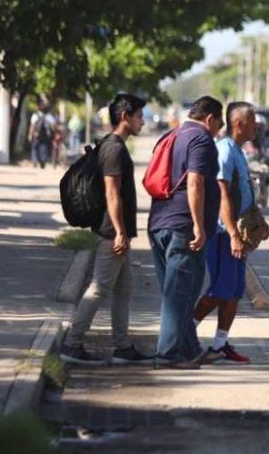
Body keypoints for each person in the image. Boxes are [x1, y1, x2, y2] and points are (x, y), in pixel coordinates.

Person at [60, 94, 154, 366]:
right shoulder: (114, 150)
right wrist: (120, 232)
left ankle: (123, 346)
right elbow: (113, 195)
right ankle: (72, 343)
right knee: (99, 289)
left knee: (124, 290)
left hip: (113, 230)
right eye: (139, 116)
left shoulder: (114, 146)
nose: (142, 122)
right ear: (125, 116)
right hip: (110, 231)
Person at [147, 95, 224, 369]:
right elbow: (194, 184)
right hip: (183, 227)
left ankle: (189, 349)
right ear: (210, 119)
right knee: (179, 296)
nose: (219, 129)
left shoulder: (172, 135)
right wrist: (199, 225)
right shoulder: (201, 139)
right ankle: (167, 355)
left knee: (180, 293)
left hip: (159, 223)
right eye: (220, 123)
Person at [193, 102, 257, 364]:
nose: (256, 126)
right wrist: (232, 233)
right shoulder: (225, 150)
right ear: (239, 123)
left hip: (235, 233)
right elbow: (221, 194)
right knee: (221, 289)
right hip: (222, 234)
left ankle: (220, 344)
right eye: (252, 121)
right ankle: (184, 331)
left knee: (234, 291)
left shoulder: (239, 151)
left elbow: (241, 192)